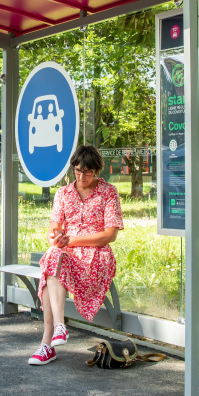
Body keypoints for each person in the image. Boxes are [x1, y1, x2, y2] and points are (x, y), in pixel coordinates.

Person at [28, 144, 124, 366]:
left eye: (87, 172)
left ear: (97, 170)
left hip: (95, 256)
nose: (81, 176)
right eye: (78, 170)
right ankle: (59, 327)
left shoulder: (108, 192)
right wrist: (58, 239)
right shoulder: (63, 193)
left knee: (53, 261)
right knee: (53, 254)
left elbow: (109, 236)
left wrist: (70, 240)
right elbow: (53, 230)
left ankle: (46, 345)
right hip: (66, 254)